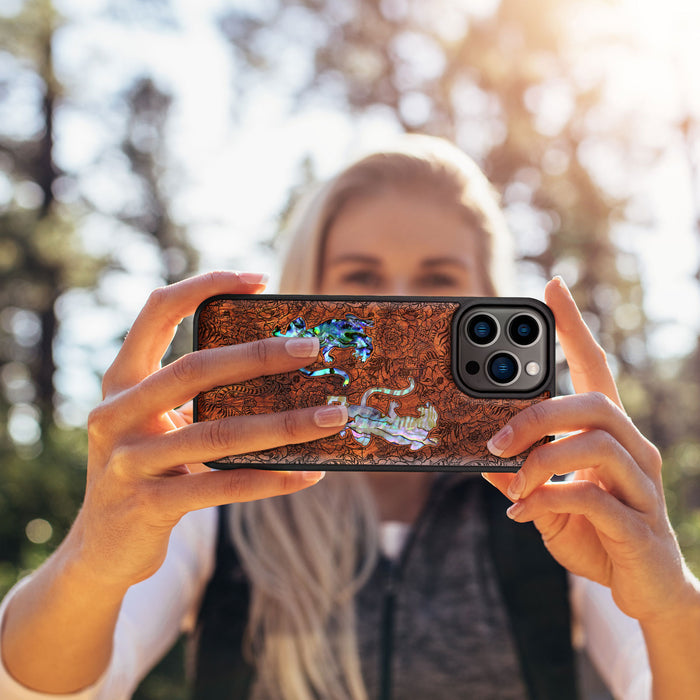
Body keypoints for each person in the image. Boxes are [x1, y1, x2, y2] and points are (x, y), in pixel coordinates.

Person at [1, 135, 699, 700]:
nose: (396, 312)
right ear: (307, 290)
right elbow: (48, 690)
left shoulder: (554, 502)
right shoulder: (217, 496)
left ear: (487, 299)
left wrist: (670, 604)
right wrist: (94, 557)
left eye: (437, 282)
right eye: (361, 278)